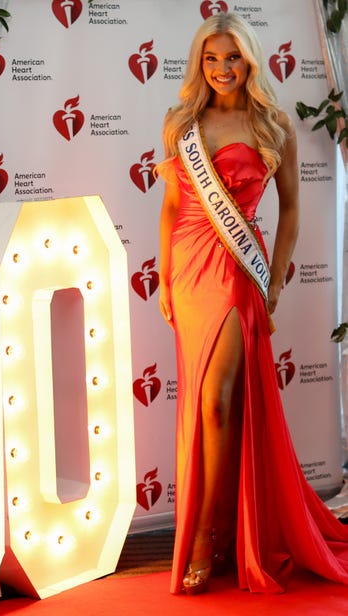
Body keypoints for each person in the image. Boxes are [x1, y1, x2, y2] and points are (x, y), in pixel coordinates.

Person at [156, 12, 348, 596]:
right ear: (200, 63)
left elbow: (290, 208)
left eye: (232, 58)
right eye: (211, 59)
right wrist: (164, 279)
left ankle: (205, 536)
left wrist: (277, 283)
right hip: (189, 270)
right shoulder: (181, 122)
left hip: (241, 270)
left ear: (250, 60)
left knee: (216, 404)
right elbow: (170, 207)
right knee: (216, 405)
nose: (221, 69)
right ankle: (223, 530)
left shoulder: (273, 124)